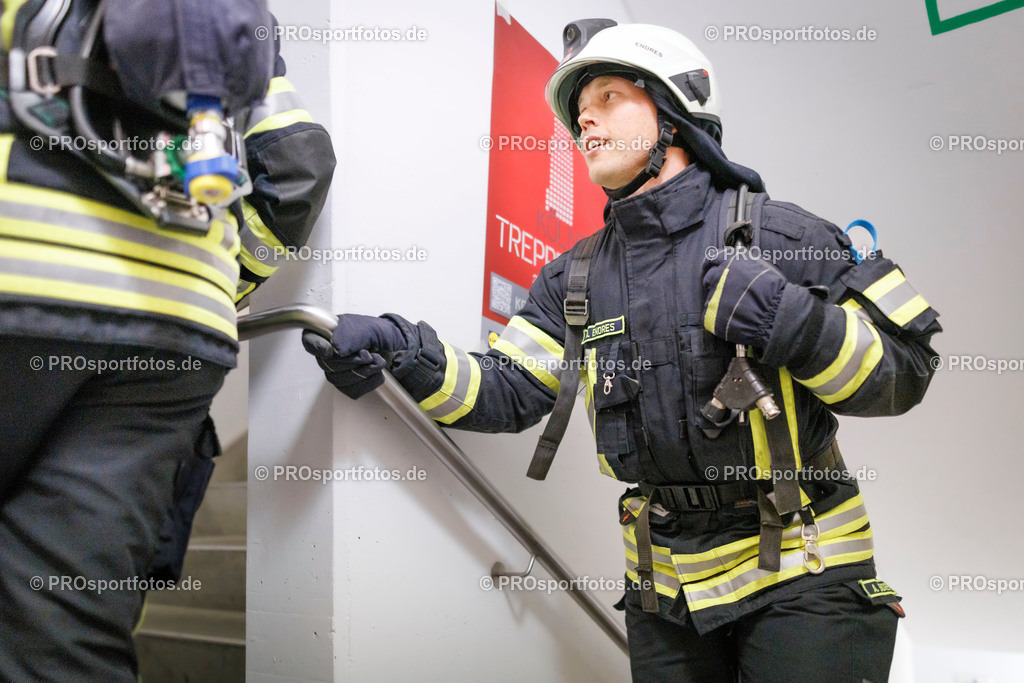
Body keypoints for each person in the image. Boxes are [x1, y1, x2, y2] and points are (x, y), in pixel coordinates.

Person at [303, 19, 939, 682]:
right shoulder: (574, 278)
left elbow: (908, 368)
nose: (586, 123)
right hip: (664, 591)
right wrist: (400, 349)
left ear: (673, 110)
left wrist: (793, 321)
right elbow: (506, 390)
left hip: (806, 580)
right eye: (580, 113)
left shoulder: (781, 234)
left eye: (607, 97)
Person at [0, 1, 335, 680]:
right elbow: (298, 164)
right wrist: (224, 284)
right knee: (65, 624)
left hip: (22, 274)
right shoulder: (240, 12)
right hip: (175, 333)